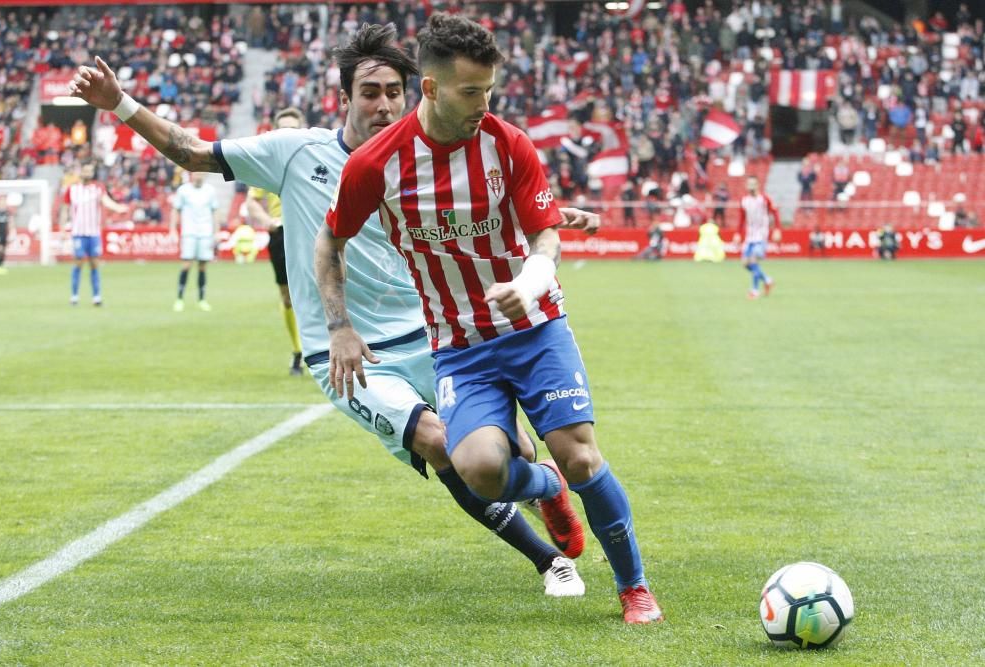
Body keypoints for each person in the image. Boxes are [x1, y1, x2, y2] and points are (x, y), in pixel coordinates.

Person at [69, 27, 594, 597]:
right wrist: (118, 104)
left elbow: (483, 217)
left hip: (435, 336)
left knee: (506, 452)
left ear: (417, 91)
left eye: (393, 91)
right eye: (369, 92)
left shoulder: (424, 157)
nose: (383, 104)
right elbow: (192, 152)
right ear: (345, 98)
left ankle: (543, 484)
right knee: (439, 442)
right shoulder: (294, 152)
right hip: (346, 351)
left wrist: (549, 217)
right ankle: (549, 562)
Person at [318, 14, 662, 624]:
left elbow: (545, 233)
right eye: (470, 92)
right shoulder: (375, 165)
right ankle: (546, 487)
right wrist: (340, 326)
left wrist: (532, 278)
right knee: (478, 470)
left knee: (580, 455)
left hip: (535, 329)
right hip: (459, 346)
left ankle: (633, 587)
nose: (484, 104)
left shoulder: (507, 142)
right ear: (430, 89)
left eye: (489, 90)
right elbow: (330, 243)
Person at [245, 107, 307, 375]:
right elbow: (252, 201)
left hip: (312, 232)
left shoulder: (315, 158)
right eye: (284, 129)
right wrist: (268, 221)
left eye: (293, 128)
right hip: (281, 233)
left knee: (330, 290)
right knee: (287, 297)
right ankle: (298, 351)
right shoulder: (267, 165)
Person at [59, 161, 128, 306]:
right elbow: (64, 210)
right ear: (81, 172)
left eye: (90, 171)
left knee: (94, 264)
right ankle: (74, 296)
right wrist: (63, 229)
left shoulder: (97, 189)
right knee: (78, 262)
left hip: (93, 233)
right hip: (78, 232)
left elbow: (107, 202)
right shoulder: (72, 189)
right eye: (85, 170)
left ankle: (96, 297)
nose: (87, 174)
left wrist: (119, 208)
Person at [170, 171, 221, 312]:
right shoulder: (183, 190)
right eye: (196, 174)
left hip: (205, 233)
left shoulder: (210, 190)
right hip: (189, 233)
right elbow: (176, 210)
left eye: (201, 174)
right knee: (186, 264)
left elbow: (215, 211)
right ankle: (179, 298)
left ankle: (202, 299)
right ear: (192, 175)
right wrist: (172, 229)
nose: (199, 176)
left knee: (203, 266)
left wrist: (216, 232)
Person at [735, 175, 779, 299]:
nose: (751, 186)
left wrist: (777, 229)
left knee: (753, 260)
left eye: (753, 184)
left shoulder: (764, 199)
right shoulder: (744, 201)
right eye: (749, 184)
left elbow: (775, 213)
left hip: (761, 236)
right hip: (750, 237)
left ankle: (754, 290)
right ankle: (767, 280)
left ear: (758, 185)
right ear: (746, 186)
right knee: (745, 263)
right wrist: (738, 233)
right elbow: (742, 219)